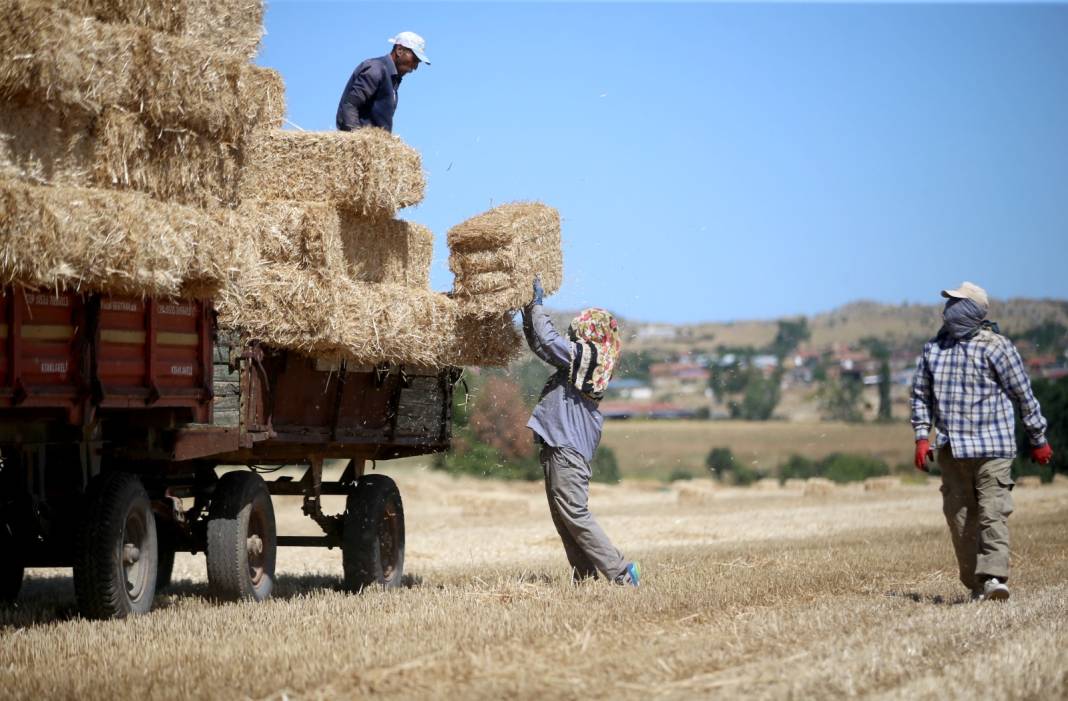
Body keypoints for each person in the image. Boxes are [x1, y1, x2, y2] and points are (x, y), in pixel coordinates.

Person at [911, 281, 1053, 602]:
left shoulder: (997, 347)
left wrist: (1038, 438)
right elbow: (920, 396)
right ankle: (975, 585)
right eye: (949, 304)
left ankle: (992, 578)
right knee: (960, 519)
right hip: (952, 450)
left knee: (992, 513)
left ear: (974, 311)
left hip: (993, 447)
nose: (950, 310)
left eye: (958, 304)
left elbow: (1023, 396)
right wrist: (922, 436)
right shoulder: (933, 350)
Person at [522, 276, 640, 586]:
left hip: (566, 450)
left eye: (579, 329)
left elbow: (550, 342)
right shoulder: (582, 361)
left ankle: (622, 572)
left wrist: (537, 305)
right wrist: (527, 311)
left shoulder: (592, 359)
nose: (574, 332)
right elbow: (541, 346)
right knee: (565, 519)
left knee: (574, 513)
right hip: (559, 447)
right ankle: (585, 580)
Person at [335, 31, 430, 133]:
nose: (415, 67)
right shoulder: (376, 70)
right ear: (399, 50)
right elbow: (350, 105)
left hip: (375, 145)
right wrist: (358, 140)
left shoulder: (392, 80)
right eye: (414, 59)